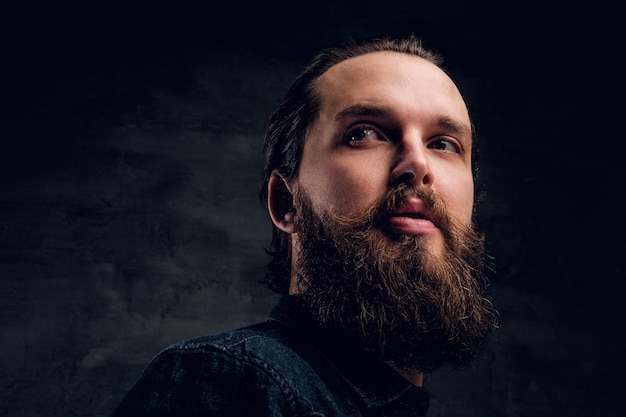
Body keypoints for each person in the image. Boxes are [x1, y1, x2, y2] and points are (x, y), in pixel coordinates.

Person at [110, 34, 499, 417]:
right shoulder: (236, 381)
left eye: (444, 143)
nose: (417, 165)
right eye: (364, 134)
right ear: (287, 202)